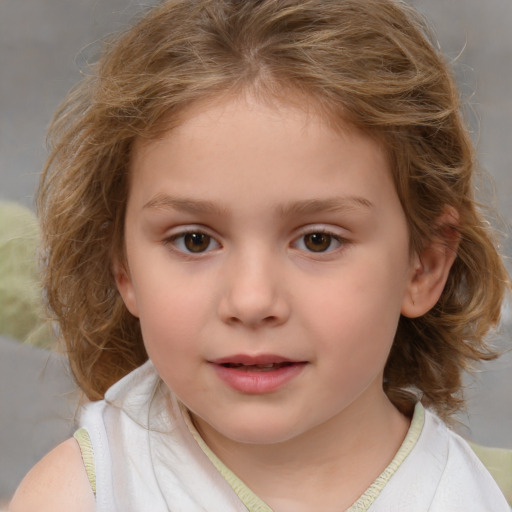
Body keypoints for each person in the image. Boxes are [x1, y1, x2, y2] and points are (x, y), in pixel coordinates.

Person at [9, 0, 510, 510]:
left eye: (318, 240)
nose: (251, 301)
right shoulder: (80, 494)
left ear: (422, 266)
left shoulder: (476, 495)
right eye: (195, 240)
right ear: (124, 268)